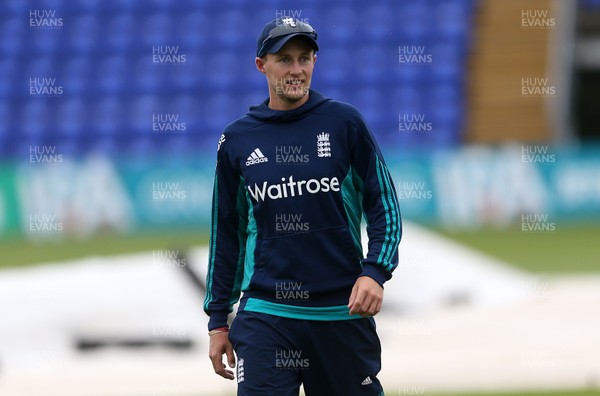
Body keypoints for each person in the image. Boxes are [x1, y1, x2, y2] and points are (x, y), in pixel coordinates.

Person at [204, 17, 401, 396]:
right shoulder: (237, 140)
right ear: (261, 65)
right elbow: (226, 232)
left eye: (305, 58)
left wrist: (375, 271)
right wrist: (218, 321)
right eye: (285, 59)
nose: (297, 70)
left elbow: (384, 206)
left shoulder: (345, 123)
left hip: (342, 313)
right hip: (267, 313)